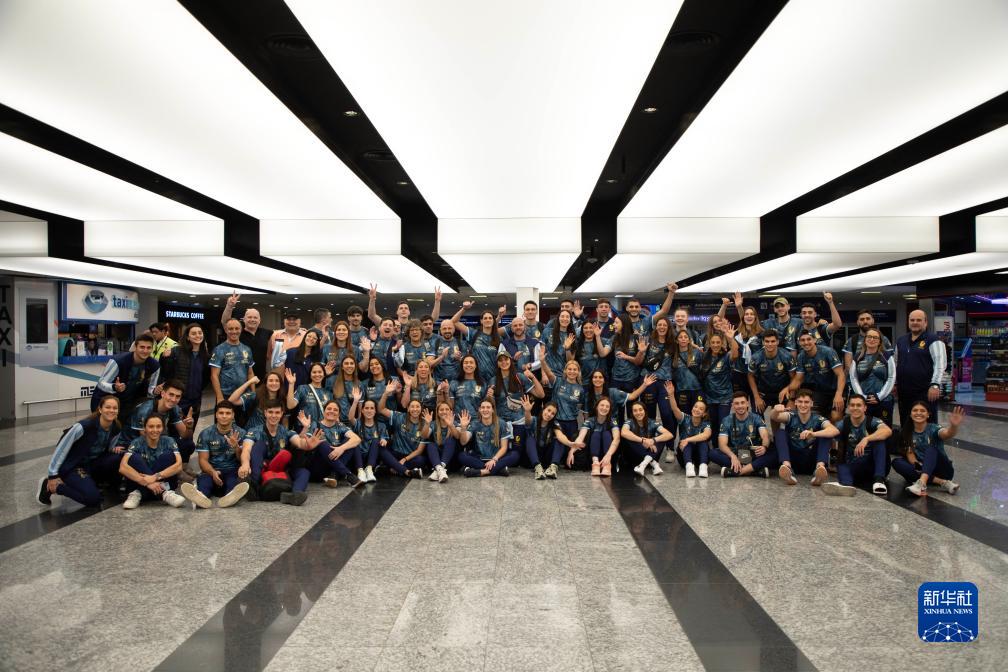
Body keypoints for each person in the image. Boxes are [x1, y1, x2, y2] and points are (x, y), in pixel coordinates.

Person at [37, 396, 124, 507]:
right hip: (73, 466)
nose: (111, 410)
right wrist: (52, 475)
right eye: (108, 407)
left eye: (115, 408)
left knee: (119, 457)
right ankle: (55, 487)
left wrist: (115, 448)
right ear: (100, 409)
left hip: (92, 464)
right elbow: (61, 449)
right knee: (93, 499)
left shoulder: (116, 427)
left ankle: (100, 484)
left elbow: (107, 447)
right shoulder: (83, 426)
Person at [180, 400, 250, 509]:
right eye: (221, 413)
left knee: (232, 483)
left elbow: (243, 461)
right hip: (210, 471)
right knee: (205, 484)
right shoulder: (206, 433)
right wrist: (213, 472)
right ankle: (200, 496)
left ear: (233, 415)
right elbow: (203, 460)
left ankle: (230, 497)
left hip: (232, 471)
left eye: (228, 413)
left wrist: (236, 447)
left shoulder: (241, 433)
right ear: (216, 414)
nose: (224, 416)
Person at [822, 394, 893, 497]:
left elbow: (887, 431)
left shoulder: (872, 421)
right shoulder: (844, 423)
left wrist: (866, 439)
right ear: (848, 408)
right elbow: (831, 432)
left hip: (874, 464)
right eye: (852, 405)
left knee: (879, 440)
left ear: (865, 408)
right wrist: (813, 434)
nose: (855, 408)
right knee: (843, 467)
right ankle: (845, 485)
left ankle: (879, 481)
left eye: (859, 405)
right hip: (855, 463)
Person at [116, 381, 196, 471]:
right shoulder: (145, 409)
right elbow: (146, 439)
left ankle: (180, 468)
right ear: (162, 394)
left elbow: (185, 435)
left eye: (177, 396)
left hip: (156, 439)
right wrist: (168, 445)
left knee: (188, 444)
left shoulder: (174, 408)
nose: (173, 399)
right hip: (133, 443)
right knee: (166, 453)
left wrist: (189, 427)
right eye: (171, 395)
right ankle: (173, 472)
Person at [239, 399, 310, 499]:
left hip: (280, 469)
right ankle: (253, 484)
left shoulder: (286, 432)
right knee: (259, 445)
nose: (273, 415)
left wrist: (305, 428)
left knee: (304, 472)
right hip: (261, 468)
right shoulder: (254, 431)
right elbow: (246, 449)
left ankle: (294, 495)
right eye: (270, 412)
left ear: (281, 414)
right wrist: (245, 464)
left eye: (277, 412)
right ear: (265, 413)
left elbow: (300, 443)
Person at [892, 403, 963, 497]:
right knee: (896, 462)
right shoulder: (906, 432)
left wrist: (953, 426)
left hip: (942, 470)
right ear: (910, 414)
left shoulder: (933, 428)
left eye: (922, 411)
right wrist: (918, 465)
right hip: (922, 469)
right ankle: (943, 482)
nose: (918, 413)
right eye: (915, 410)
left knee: (931, 449)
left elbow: (946, 434)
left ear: (928, 414)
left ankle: (921, 483)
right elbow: (910, 454)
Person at [770, 390, 836, 487]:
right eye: (800, 402)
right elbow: (774, 417)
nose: (803, 405)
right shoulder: (790, 416)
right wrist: (775, 410)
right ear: (795, 402)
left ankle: (820, 469)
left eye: (806, 402)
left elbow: (834, 430)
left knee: (826, 435)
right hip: (793, 459)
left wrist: (814, 434)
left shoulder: (818, 419)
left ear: (811, 403)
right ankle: (786, 467)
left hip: (811, 460)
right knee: (780, 432)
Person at [119, 414, 187, 509]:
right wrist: (147, 482)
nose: (155, 430)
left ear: (163, 428)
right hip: (143, 485)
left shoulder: (169, 441)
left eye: (158, 426)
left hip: (163, 483)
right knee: (134, 458)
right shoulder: (137, 442)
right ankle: (163, 493)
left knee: (168, 455)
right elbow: (122, 467)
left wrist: (154, 477)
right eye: (151, 426)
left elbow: (179, 466)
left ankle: (142, 492)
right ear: (145, 428)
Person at [895, 309, 947, 426]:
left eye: (919, 320)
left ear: (925, 322)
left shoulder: (933, 340)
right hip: (904, 392)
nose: (915, 322)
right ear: (908, 322)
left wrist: (935, 385)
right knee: (906, 423)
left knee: (926, 424)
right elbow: (896, 363)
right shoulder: (901, 341)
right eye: (912, 320)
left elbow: (940, 364)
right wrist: (895, 383)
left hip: (925, 392)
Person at [91, 333, 160, 420]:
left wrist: (155, 391)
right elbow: (101, 383)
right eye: (142, 347)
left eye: (149, 348)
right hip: (105, 402)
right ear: (135, 347)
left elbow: (151, 390)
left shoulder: (154, 365)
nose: (145, 351)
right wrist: (114, 387)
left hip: (127, 404)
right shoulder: (118, 361)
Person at [711, 391, 773, 478]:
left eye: (742, 403)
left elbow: (765, 436)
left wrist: (764, 447)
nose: (740, 406)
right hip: (735, 453)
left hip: (754, 453)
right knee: (712, 453)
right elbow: (722, 444)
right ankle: (755, 470)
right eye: (737, 403)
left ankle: (737, 471)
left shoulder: (756, 418)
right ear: (733, 405)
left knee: (774, 452)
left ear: (747, 404)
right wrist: (733, 456)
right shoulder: (727, 420)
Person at [158, 322, 210, 427]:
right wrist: (164, 357)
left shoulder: (205, 356)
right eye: (194, 333)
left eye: (200, 333)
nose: (197, 335)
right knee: (175, 430)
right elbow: (166, 372)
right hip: (177, 400)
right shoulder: (176, 351)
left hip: (195, 401)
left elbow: (205, 378)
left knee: (190, 430)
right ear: (187, 337)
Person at [376, 380, 429, 478]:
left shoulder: (424, 423)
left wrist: (405, 459)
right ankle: (407, 471)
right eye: (412, 407)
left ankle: (392, 468)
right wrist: (386, 393)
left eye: (417, 407)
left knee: (421, 460)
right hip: (395, 453)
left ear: (421, 409)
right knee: (380, 448)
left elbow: (419, 450)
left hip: (410, 456)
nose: (415, 409)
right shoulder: (399, 416)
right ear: (408, 408)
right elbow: (381, 409)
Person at [790, 330, 845, 421]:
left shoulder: (828, 352)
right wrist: (787, 389)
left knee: (835, 417)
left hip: (835, 390)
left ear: (815, 340)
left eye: (809, 339)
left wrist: (839, 394)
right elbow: (798, 379)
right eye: (803, 340)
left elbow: (841, 374)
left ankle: (833, 430)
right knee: (813, 415)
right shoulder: (801, 356)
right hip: (818, 391)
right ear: (799, 343)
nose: (806, 342)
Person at [308, 400, 364, 489]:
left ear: (338, 414)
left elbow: (357, 439)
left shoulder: (340, 426)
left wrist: (341, 448)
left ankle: (334, 475)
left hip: (334, 467)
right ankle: (348, 475)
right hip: (318, 468)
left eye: (335, 410)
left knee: (351, 442)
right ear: (324, 411)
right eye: (329, 409)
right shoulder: (316, 424)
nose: (332, 411)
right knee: (322, 443)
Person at [210, 319, 256, 425]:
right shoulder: (219, 349)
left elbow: (250, 373)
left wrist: (253, 394)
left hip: (243, 397)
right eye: (230, 329)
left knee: (243, 426)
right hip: (226, 397)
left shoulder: (247, 349)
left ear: (241, 329)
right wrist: (220, 398)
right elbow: (214, 376)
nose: (234, 331)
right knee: (223, 427)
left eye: (237, 328)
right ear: (226, 330)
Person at [542, 361, 586, 468]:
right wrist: (542, 361)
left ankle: (559, 463)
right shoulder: (558, 382)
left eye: (574, 369)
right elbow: (548, 372)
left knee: (569, 450)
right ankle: (553, 464)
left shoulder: (580, 389)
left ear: (578, 372)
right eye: (569, 369)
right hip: (557, 420)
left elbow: (580, 407)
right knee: (558, 442)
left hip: (572, 423)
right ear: (565, 371)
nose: (572, 371)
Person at [458, 400, 519, 477]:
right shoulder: (475, 423)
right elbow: (463, 442)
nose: (485, 410)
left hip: (497, 458)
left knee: (515, 455)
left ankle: (479, 471)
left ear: (492, 410)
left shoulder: (501, 423)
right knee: (461, 456)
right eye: (483, 407)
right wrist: (463, 428)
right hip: (479, 459)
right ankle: (498, 470)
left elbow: (504, 447)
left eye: (488, 407)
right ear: (479, 410)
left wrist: (494, 459)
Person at [849, 328, 896, 426]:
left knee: (884, 430)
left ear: (880, 341)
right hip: (864, 402)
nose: (872, 339)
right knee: (865, 429)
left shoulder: (887, 356)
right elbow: (853, 378)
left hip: (884, 401)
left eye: (875, 337)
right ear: (865, 339)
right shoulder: (857, 357)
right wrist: (862, 397)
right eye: (869, 337)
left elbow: (892, 377)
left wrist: (880, 396)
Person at [222, 292, 274, 380]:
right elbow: (225, 322)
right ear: (244, 319)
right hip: (239, 378)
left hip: (260, 378)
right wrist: (229, 306)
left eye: (255, 317)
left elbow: (269, 354)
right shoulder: (237, 332)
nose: (252, 319)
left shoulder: (266, 333)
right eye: (249, 317)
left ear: (259, 320)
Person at [663, 383, 711, 477]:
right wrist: (671, 395)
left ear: (704, 414)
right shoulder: (685, 418)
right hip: (684, 456)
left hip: (699, 457)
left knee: (703, 442)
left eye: (701, 409)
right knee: (686, 444)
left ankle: (703, 467)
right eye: (695, 407)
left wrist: (687, 439)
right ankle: (689, 467)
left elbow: (706, 435)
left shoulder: (706, 423)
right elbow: (675, 409)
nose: (697, 409)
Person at [700, 321, 739, 436]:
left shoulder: (726, 356)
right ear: (709, 344)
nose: (715, 345)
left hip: (724, 397)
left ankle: (724, 444)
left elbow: (735, 354)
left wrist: (731, 339)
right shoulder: (704, 357)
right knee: (713, 425)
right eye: (713, 342)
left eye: (718, 342)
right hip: (709, 398)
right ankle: (715, 445)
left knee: (723, 424)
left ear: (722, 343)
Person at [747, 330, 797, 420]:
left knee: (783, 418)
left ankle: (776, 431)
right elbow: (750, 376)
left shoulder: (787, 356)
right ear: (763, 342)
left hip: (781, 392)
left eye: (773, 341)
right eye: (767, 341)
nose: (770, 344)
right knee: (756, 418)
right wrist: (756, 397)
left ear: (777, 342)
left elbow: (794, 378)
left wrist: (791, 397)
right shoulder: (756, 357)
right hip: (763, 392)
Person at [569, 397, 620, 476]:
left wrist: (608, 455)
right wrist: (571, 451)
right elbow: (580, 437)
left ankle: (607, 465)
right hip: (593, 453)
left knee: (606, 433)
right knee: (596, 433)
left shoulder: (612, 421)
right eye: (602, 405)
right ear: (597, 407)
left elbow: (617, 439)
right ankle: (595, 464)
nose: (604, 408)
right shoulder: (589, 420)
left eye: (607, 406)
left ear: (610, 409)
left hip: (609, 454)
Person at [622, 400, 674, 477]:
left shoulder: (652, 422)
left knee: (661, 437)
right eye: (635, 411)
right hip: (635, 458)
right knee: (628, 437)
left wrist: (653, 440)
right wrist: (642, 440)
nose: (638, 412)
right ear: (632, 413)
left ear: (645, 411)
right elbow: (624, 432)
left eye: (640, 410)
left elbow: (669, 435)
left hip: (651, 454)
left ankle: (643, 464)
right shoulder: (629, 422)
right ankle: (654, 464)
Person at [453, 305, 501, 386]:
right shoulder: (474, 334)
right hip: (476, 378)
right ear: (481, 321)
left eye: (490, 318)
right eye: (485, 318)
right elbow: (454, 322)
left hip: (493, 378)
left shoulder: (498, 339)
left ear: (493, 321)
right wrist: (464, 309)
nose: (488, 320)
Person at [730, 293, 764, 398]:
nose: (749, 316)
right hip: (739, 373)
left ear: (755, 317)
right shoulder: (737, 333)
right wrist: (739, 307)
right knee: (740, 403)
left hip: (756, 374)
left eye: (751, 314)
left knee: (756, 404)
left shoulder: (761, 334)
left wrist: (739, 307)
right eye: (746, 314)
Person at [348, 397, 387, 483]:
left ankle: (369, 470)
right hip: (358, 458)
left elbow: (384, 438)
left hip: (372, 458)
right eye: (366, 408)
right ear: (362, 410)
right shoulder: (358, 423)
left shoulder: (381, 425)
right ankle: (360, 471)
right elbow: (350, 418)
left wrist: (384, 440)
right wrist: (355, 402)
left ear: (375, 411)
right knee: (355, 440)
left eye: (372, 408)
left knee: (376, 440)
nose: (369, 411)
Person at [286, 363, 333, 431]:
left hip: (323, 430)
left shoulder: (328, 393)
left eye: (320, 372)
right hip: (305, 429)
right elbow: (290, 405)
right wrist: (291, 384)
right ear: (310, 375)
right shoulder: (302, 389)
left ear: (324, 374)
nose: (317, 374)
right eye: (314, 372)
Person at [611, 314, 647, 394]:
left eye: (616, 322)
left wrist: (626, 356)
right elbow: (604, 353)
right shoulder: (614, 338)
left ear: (624, 324)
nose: (613, 324)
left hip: (631, 379)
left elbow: (638, 362)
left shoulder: (636, 338)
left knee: (631, 401)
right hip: (615, 378)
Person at [570, 321, 611, 390]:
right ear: (582, 330)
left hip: (601, 382)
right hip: (584, 383)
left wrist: (597, 336)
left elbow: (602, 354)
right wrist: (567, 349)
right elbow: (571, 361)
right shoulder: (577, 344)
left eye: (591, 327)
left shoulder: (604, 341)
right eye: (585, 328)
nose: (588, 330)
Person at [425, 402, 460, 482]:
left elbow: (458, 436)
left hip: (451, 461)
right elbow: (425, 435)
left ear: (451, 411)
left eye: (447, 409)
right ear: (437, 412)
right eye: (441, 410)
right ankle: (440, 469)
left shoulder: (454, 423)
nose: (444, 411)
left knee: (451, 440)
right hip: (436, 460)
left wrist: (451, 425)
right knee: (430, 444)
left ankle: (438, 470)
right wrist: (427, 424)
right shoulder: (433, 424)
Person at [430, 319, 463, 383]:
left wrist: (459, 359)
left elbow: (467, 364)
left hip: (457, 383)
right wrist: (441, 357)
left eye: (449, 328)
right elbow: (429, 364)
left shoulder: (461, 343)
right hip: (439, 382)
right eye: (444, 329)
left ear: (454, 329)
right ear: (440, 330)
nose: (447, 331)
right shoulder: (434, 343)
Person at [331, 355, 363, 420]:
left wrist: (358, 421)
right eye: (346, 363)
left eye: (352, 363)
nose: (349, 366)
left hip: (353, 421)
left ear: (355, 366)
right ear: (342, 367)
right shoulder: (332, 381)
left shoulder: (359, 384)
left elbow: (360, 406)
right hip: (336, 421)